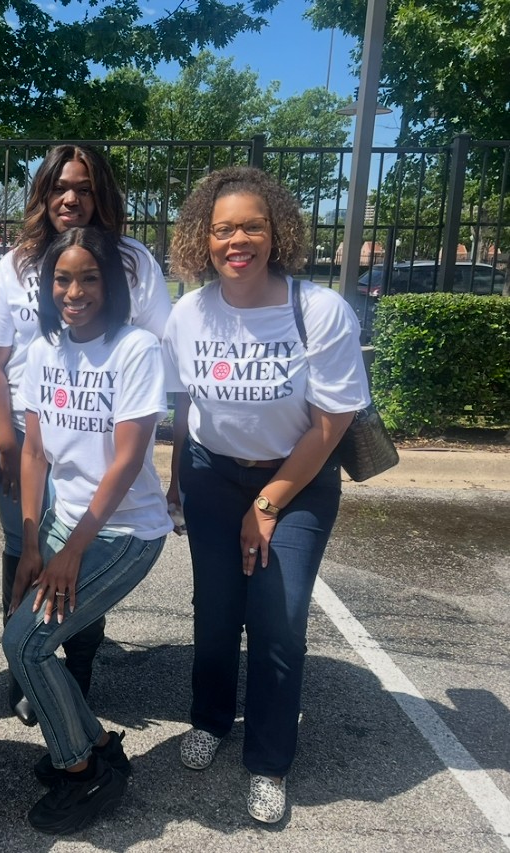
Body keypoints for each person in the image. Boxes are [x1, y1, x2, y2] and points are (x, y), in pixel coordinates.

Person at [163, 166, 370, 824]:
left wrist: (268, 503)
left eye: (252, 226)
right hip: (211, 476)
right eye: (223, 229)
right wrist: (176, 478)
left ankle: (269, 760)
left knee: (278, 618)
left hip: (298, 480)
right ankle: (210, 718)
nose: (237, 241)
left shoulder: (319, 310)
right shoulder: (188, 313)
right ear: (203, 237)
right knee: (216, 609)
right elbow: (185, 405)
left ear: (276, 232)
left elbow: (332, 422)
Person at [0, 144, 171, 725]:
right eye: (60, 187)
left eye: (84, 188)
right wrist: (4, 438)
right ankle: (25, 671)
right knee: (26, 547)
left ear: (100, 195)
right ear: (43, 193)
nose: (71, 198)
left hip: (99, 436)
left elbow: (154, 344)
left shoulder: (133, 261)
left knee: (83, 558)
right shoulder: (15, 264)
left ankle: (76, 671)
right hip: (28, 432)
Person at [1, 227, 172, 835]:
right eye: (62, 279)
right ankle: (96, 746)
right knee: (25, 640)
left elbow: (126, 462)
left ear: (113, 284)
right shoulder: (43, 351)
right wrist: (31, 544)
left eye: (90, 278)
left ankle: (82, 772)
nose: (74, 292)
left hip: (124, 531)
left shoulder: (136, 349)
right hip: (60, 521)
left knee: (27, 645)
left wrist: (71, 551)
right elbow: (34, 454)